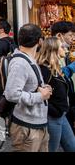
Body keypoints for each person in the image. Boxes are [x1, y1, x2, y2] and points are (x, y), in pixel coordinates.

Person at [4, 24, 52, 152]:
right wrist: (40, 96)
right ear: (40, 41)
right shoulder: (20, 63)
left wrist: (42, 88)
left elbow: (28, 85)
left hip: (36, 123)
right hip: (27, 127)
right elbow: (11, 93)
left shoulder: (28, 59)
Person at [37, 37, 75, 152]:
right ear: (53, 50)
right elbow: (36, 93)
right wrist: (53, 110)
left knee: (72, 147)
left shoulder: (55, 68)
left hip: (61, 116)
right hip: (52, 118)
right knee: (50, 149)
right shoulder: (43, 70)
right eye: (62, 47)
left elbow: (65, 73)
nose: (66, 49)